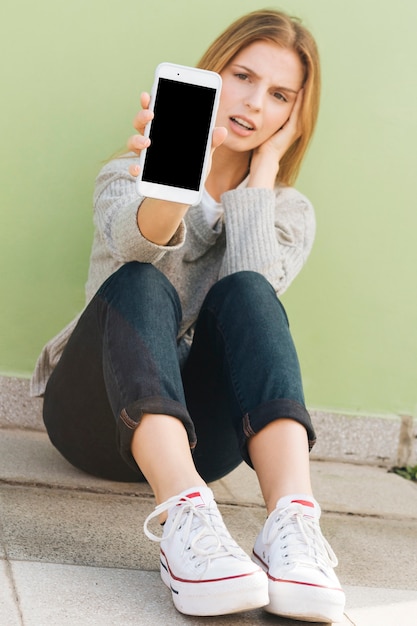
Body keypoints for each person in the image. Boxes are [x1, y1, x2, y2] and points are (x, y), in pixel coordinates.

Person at [31, 8, 346, 623]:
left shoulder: (288, 212)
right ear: (211, 75)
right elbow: (139, 245)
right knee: (142, 280)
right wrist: (175, 186)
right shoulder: (126, 175)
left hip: (208, 439)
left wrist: (259, 178)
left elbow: (256, 292)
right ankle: (185, 516)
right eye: (242, 76)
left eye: (279, 94)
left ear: (292, 117)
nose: (255, 103)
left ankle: (294, 527)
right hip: (94, 417)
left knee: (251, 294)